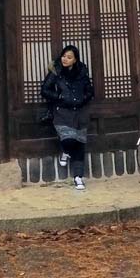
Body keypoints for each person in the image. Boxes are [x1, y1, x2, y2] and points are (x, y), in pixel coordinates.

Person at [40, 44, 95, 190]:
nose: (65, 59)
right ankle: (65, 151)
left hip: (80, 112)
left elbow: (90, 90)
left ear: (75, 60)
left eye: (69, 57)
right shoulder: (56, 70)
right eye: (64, 56)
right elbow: (45, 89)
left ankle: (78, 178)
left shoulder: (82, 72)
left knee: (79, 145)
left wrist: (84, 98)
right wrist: (59, 96)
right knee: (69, 140)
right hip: (62, 112)